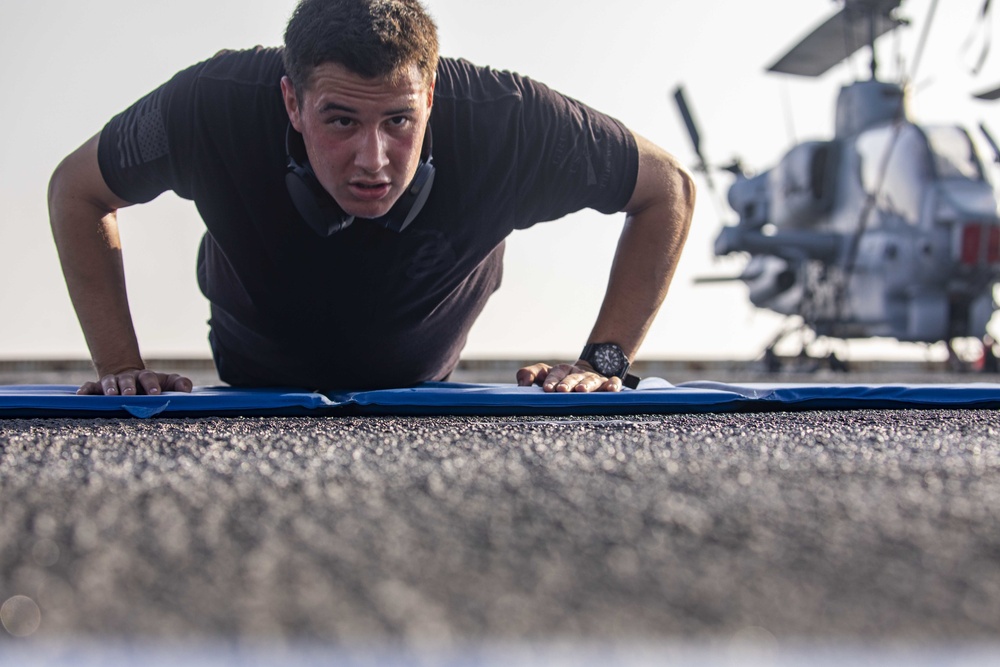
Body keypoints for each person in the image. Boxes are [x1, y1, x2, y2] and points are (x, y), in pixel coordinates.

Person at [48, 0, 695, 396]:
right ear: (291, 103)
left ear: (431, 97)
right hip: (257, 363)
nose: (373, 159)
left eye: (398, 121)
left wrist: (604, 359)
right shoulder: (209, 104)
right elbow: (76, 190)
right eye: (340, 122)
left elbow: (668, 188)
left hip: (415, 369)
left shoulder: (510, 120)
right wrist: (119, 368)